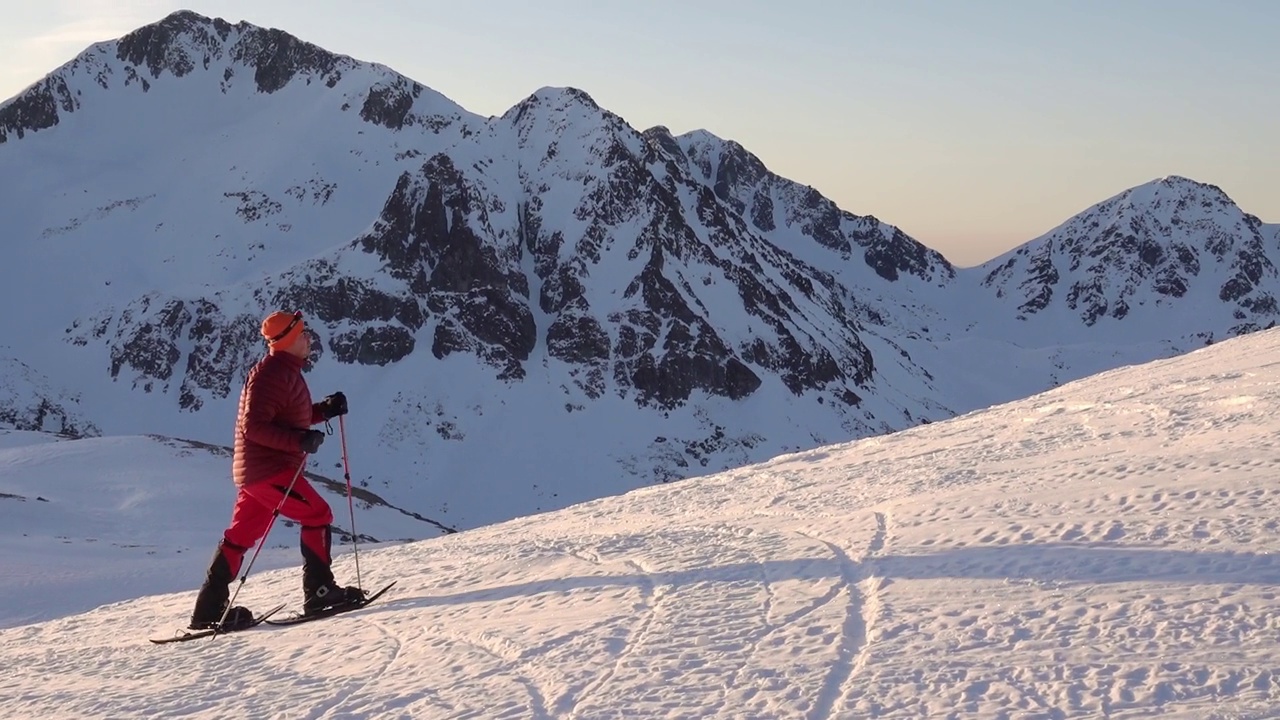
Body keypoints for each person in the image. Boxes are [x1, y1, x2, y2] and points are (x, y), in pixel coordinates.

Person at [189, 309, 365, 630]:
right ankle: (320, 592)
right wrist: (298, 440)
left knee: (240, 536)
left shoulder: (283, 371)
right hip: (270, 470)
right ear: (287, 341)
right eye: (303, 334)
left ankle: (207, 611)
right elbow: (253, 426)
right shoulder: (271, 374)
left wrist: (322, 412)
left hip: (258, 472)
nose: (309, 338)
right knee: (317, 514)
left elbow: (285, 418)